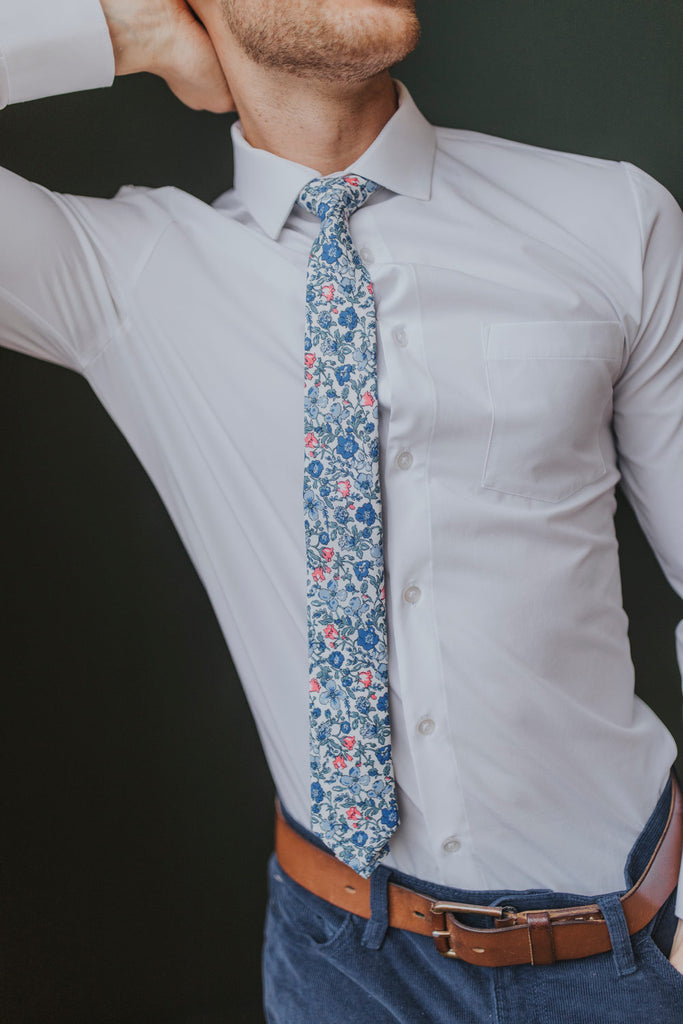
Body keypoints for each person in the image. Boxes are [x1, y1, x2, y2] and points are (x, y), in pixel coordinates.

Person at [1, 1, 682, 1020]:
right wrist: (127, 31)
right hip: (338, 973)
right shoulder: (123, 279)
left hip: (627, 948)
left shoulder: (611, 222)